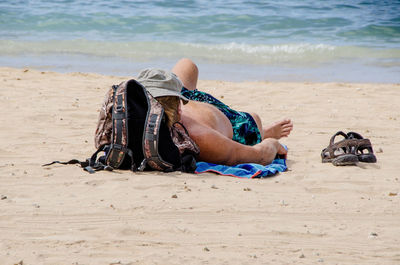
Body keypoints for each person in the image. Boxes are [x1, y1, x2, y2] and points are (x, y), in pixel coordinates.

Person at [138, 58, 293, 166]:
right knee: (255, 119)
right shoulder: (200, 136)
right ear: (178, 107)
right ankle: (266, 132)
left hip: (187, 99)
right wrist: (273, 144)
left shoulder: (132, 114)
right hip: (229, 121)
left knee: (187, 64)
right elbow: (258, 156)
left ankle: (182, 93)